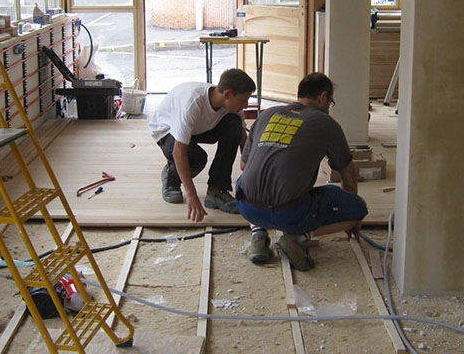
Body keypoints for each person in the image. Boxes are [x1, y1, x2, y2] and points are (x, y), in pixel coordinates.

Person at [235, 72, 368, 270]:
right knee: (358, 207)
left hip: (248, 208)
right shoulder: (327, 124)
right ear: (323, 98)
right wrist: (351, 215)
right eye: (330, 102)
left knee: (243, 180)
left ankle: (258, 235)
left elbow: (244, 166)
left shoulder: (267, 115)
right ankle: (297, 237)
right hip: (291, 213)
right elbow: (348, 176)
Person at [149, 68, 256, 222]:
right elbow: (179, 151)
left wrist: (250, 169)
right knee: (196, 158)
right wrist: (191, 195)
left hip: (198, 127)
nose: (245, 105)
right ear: (227, 94)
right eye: (243, 99)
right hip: (167, 130)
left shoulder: (230, 106)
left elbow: (242, 138)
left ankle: (217, 191)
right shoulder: (192, 103)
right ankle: (171, 178)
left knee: (234, 125)